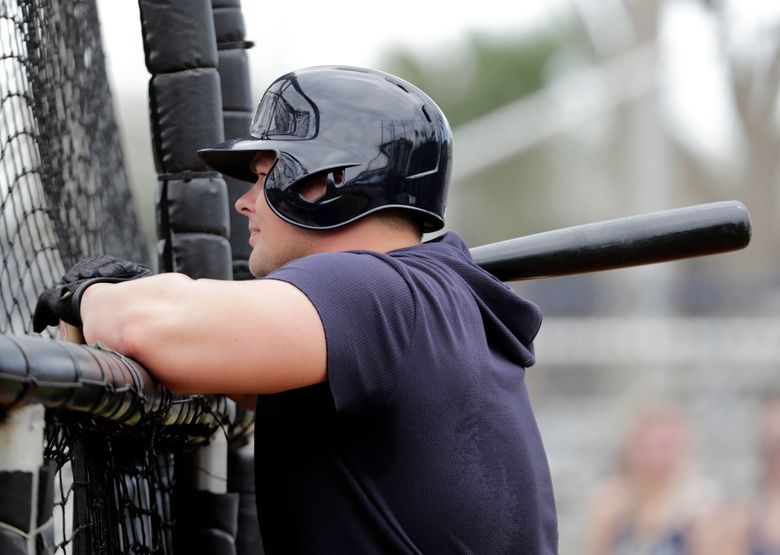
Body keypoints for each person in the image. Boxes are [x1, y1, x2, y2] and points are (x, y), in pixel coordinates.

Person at [33, 65, 558, 553]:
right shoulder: (430, 299)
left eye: (264, 177)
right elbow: (229, 365)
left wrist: (89, 296)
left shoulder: (374, 288)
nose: (245, 202)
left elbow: (151, 330)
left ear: (324, 182)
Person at [585, 403, 728, 555]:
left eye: (666, 445)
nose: (657, 457)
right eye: (650, 445)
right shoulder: (610, 500)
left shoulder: (699, 503)